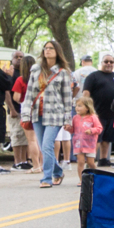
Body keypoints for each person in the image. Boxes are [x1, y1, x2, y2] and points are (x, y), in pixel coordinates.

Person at [32, 41, 79, 188]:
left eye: (51, 48)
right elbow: (29, 93)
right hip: (37, 113)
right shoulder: (35, 70)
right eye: (45, 48)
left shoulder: (64, 72)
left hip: (54, 114)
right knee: (42, 147)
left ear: (57, 51)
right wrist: (25, 113)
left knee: (47, 145)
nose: (47, 50)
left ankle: (46, 178)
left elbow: (67, 97)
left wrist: (67, 118)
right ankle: (58, 172)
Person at [83, 55, 114, 168]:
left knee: (108, 138)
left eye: (111, 62)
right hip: (96, 113)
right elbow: (86, 93)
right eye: (106, 61)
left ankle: (104, 159)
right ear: (101, 62)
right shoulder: (93, 76)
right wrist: (87, 110)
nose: (109, 64)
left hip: (113, 113)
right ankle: (91, 160)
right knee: (96, 138)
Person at [11, 54, 40, 174]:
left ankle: (36, 165)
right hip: (41, 109)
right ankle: (43, 164)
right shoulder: (40, 78)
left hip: (27, 110)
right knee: (41, 139)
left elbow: (16, 97)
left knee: (31, 140)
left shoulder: (21, 79)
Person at [68, 93, 101, 179]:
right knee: (80, 162)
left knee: (90, 162)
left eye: (79, 106)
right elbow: (73, 130)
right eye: (76, 106)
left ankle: (96, 176)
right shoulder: (75, 118)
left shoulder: (93, 117)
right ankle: (81, 180)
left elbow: (99, 128)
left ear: (87, 107)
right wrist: (68, 128)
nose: (77, 108)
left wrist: (91, 130)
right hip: (78, 144)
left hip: (90, 144)